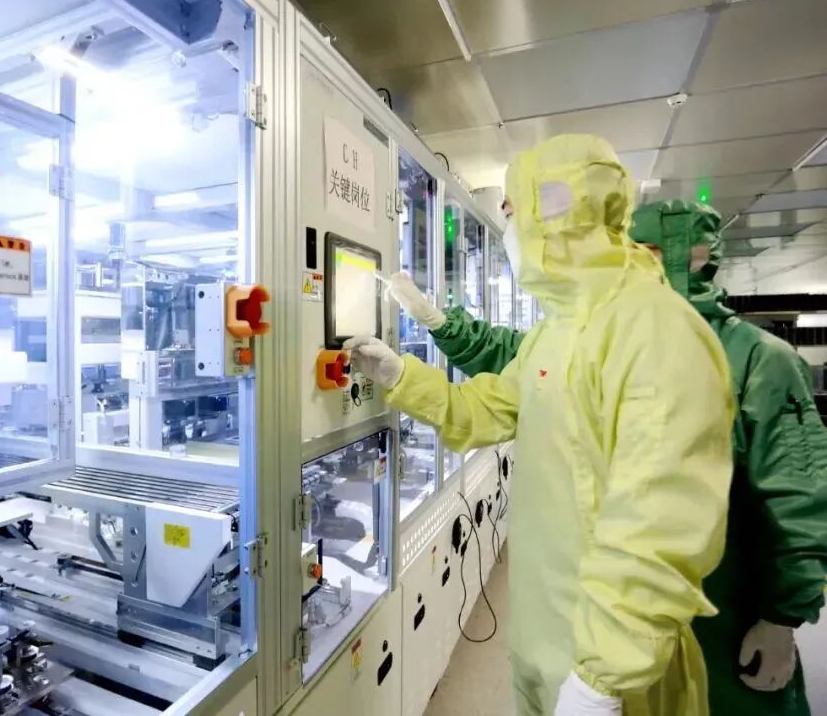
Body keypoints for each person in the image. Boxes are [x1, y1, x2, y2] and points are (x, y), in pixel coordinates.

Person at [388, 196, 827, 716]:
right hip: (604, 611)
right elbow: (513, 362)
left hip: (717, 613)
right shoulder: (587, 337)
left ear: (683, 256)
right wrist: (435, 327)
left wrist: (781, 617)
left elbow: (799, 500)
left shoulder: (757, 360)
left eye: (641, 251)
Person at [345, 134, 735, 716]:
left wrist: (602, 681)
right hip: (544, 636)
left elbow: (661, 526)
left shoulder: (654, 329)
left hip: (612, 674)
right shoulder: (558, 331)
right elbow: (485, 410)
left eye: (511, 212)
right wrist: (400, 375)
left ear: (557, 211)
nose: (509, 229)